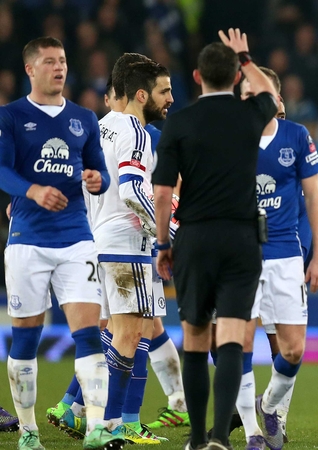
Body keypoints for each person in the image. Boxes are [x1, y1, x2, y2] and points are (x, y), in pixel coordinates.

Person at [151, 28, 279, 450]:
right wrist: (247, 57)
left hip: (195, 238)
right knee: (232, 338)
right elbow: (271, 95)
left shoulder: (179, 122)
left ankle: (195, 437)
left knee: (195, 337)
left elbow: (163, 193)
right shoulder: (249, 114)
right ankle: (221, 437)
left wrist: (163, 244)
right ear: (236, 77)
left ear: (196, 76)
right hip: (242, 239)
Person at [0, 36, 124, 450]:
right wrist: (33, 190)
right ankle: (29, 432)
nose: (59, 68)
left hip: (76, 239)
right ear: (30, 69)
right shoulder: (11, 116)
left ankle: (96, 428)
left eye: (63, 61)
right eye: (50, 61)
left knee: (89, 334)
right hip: (28, 240)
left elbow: (100, 173)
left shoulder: (84, 118)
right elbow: (2, 169)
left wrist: (97, 179)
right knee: (25, 339)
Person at [240, 64, 318, 450]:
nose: (250, 99)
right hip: (240, 256)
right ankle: (251, 432)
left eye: (257, 93)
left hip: (285, 254)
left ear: (275, 99)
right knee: (240, 345)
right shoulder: (229, 135)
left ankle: (269, 405)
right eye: (245, 94)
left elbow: (314, 196)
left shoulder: (296, 136)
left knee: (292, 349)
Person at [86, 58, 173, 444]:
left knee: (119, 332)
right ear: (141, 95)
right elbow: (132, 190)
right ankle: (106, 424)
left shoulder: (101, 126)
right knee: (129, 334)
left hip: (100, 241)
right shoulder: (136, 131)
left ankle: (93, 416)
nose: (169, 99)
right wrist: (166, 233)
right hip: (126, 243)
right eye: (163, 91)